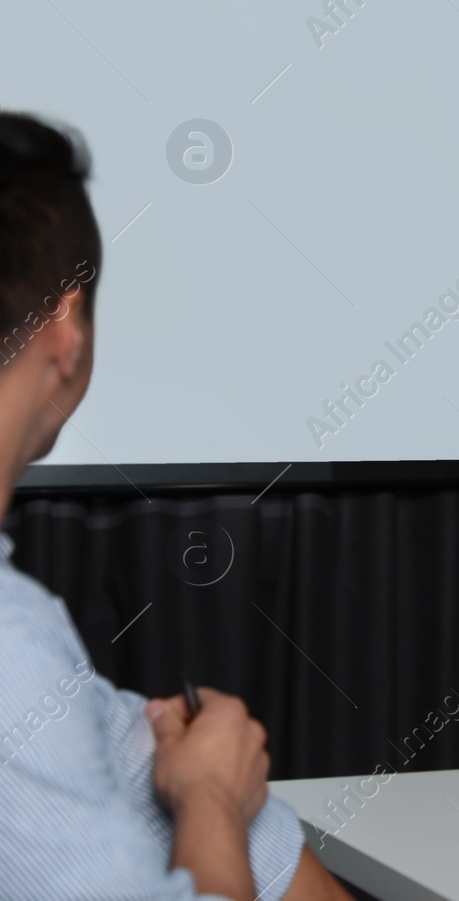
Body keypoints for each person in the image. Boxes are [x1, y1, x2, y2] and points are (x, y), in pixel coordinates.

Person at [0, 112, 350, 900]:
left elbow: (108, 747)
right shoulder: (12, 653)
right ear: (66, 326)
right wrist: (212, 798)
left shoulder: (41, 675)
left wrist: (199, 780)